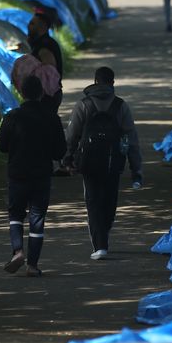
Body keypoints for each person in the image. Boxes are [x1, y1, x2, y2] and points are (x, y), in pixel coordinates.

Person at [63, 67, 142, 260]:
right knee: (109, 199)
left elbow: (72, 135)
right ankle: (104, 232)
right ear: (112, 83)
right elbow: (131, 139)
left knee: (93, 201)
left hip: (88, 161)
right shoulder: (121, 106)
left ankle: (100, 245)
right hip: (114, 161)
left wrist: (67, 158)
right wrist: (136, 169)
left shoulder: (84, 105)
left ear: (95, 81)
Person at [0, 75, 67, 277]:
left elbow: (1, 146)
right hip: (42, 175)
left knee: (16, 215)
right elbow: (60, 151)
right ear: (42, 93)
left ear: (21, 93)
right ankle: (32, 265)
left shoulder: (12, 117)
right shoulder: (52, 118)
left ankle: (18, 251)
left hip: (17, 173)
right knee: (37, 218)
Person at [27, 11, 64, 110]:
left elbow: (50, 75)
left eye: (32, 23)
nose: (28, 26)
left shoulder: (44, 46)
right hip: (45, 96)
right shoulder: (39, 44)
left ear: (42, 27)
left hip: (46, 97)